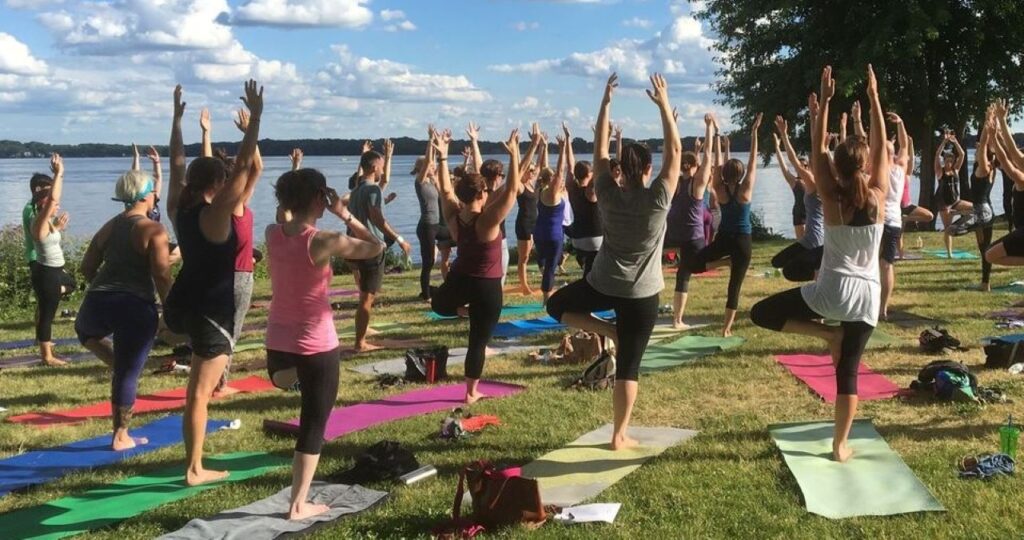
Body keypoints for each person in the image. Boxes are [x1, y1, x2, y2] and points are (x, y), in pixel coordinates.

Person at [751, 65, 889, 463]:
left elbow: (816, 151)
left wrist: (824, 104)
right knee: (848, 373)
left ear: (838, 169)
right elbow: (880, 148)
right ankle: (839, 445)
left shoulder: (831, 197)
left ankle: (826, 336)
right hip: (867, 298)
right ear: (863, 167)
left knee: (762, 313)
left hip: (829, 293)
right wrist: (875, 98)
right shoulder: (878, 196)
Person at [547, 73, 681, 450]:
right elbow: (675, 154)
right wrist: (664, 108)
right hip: (642, 293)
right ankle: (619, 435)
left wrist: (605, 103)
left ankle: (607, 333)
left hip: (603, 284)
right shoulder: (657, 200)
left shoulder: (605, 191)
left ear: (621, 170)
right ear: (648, 170)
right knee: (629, 367)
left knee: (556, 305)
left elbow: (600, 153)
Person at [265, 168, 384, 520]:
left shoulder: (273, 234)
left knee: (301, 391)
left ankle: (304, 384)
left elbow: (285, 216)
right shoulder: (324, 239)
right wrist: (344, 214)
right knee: (314, 423)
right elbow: (375, 248)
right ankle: (298, 505)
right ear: (319, 197)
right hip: (315, 345)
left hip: (277, 350)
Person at [164, 80, 263, 486]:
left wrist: (176, 120)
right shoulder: (216, 215)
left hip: (184, 304)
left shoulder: (178, 209)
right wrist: (255, 119)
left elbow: (175, 163)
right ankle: (194, 469)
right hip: (212, 311)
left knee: (197, 392)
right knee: (199, 394)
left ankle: (194, 464)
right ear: (217, 186)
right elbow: (243, 168)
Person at [75, 170, 172, 450]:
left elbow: (86, 267)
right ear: (147, 195)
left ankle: (120, 366)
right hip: (134, 305)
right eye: (155, 191)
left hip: (98, 300)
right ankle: (120, 436)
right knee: (127, 373)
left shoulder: (109, 226)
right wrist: (171, 312)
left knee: (85, 331)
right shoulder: (153, 229)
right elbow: (162, 275)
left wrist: (108, 283)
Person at [430, 125, 527, 404]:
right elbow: (511, 191)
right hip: (486, 286)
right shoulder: (488, 221)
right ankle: (471, 393)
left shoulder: (453, 215)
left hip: (461, 278)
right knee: (477, 342)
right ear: (482, 193)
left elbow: (444, 189)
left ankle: (461, 309)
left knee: (438, 304)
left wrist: (443, 156)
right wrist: (515, 155)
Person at [199, 107, 265, 393]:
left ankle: (216, 380)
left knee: (221, 330)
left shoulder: (220, 207)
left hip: (227, 275)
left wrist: (207, 134)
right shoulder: (232, 205)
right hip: (238, 275)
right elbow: (251, 168)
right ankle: (220, 384)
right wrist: (249, 132)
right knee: (231, 331)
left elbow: (255, 168)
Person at [687, 114, 763, 336]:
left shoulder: (719, 189)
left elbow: (717, 166)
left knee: (693, 264)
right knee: (734, 287)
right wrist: (754, 133)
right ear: (740, 175)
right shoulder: (746, 189)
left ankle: (723, 262)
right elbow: (752, 161)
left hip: (725, 239)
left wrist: (717, 133)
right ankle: (726, 329)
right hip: (742, 241)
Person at [346, 141, 411, 352]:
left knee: (364, 295)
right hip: (369, 249)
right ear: (375, 167)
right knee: (367, 297)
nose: (382, 169)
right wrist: (399, 239)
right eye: (381, 165)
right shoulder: (373, 189)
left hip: (353, 246)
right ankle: (360, 343)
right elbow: (377, 217)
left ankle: (361, 336)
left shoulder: (355, 191)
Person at [665, 113, 714, 329]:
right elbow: (709, 159)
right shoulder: (697, 185)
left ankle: (677, 320)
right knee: (689, 271)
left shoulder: (675, 181)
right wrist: (710, 128)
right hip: (693, 237)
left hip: (672, 234)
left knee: (684, 272)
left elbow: (671, 154)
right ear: (695, 165)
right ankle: (677, 320)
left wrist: (673, 124)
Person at [29, 154, 75, 366]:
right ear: (43, 203)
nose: (57, 206)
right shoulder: (38, 221)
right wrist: (59, 174)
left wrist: (58, 227)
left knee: (72, 284)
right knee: (47, 314)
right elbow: (54, 199)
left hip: (55, 273)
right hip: (46, 272)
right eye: (52, 204)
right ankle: (47, 357)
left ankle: (52, 292)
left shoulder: (46, 223)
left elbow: (49, 237)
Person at [769, 116, 824, 282]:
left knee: (786, 267)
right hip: (816, 236)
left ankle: (820, 277)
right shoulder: (826, 182)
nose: (805, 167)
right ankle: (819, 274)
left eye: (808, 164)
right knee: (780, 262)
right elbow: (791, 166)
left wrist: (784, 135)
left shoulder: (813, 183)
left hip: (813, 238)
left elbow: (793, 161)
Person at [984, 99, 1024, 268]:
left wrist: (1001, 120)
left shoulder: (1021, 179)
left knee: (990, 255)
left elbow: (1011, 155)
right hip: (1020, 230)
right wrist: (994, 135)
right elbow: (1007, 156)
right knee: (990, 255)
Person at [878, 113, 910, 319]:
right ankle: (883, 308)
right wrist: (900, 123)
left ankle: (877, 307)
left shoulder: (879, 170)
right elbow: (905, 146)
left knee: (876, 265)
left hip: (879, 221)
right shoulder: (900, 169)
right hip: (894, 222)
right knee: (887, 265)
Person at [564, 122, 603, 278]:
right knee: (596, 276)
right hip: (594, 239)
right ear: (590, 174)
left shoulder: (571, 188)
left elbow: (569, 164)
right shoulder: (590, 192)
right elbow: (599, 161)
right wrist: (599, 138)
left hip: (577, 239)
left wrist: (568, 140)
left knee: (589, 272)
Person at [534, 134, 568, 303]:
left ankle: (547, 290)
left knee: (545, 264)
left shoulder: (540, 190)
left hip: (539, 232)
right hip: (553, 234)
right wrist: (562, 148)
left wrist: (545, 147)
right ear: (552, 179)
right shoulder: (553, 193)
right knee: (550, 267)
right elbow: (560, 171)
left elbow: (544, 169)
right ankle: (547, 297)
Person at [414, 126, 444, 301]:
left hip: (436, 226)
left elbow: (433, 161)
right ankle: (425, 295)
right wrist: (430, 141)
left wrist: (438, 145)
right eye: (430, 166)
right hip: (426, 226)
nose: (433, 167)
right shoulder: (420, 183)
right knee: (428, 262)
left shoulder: (433, 182)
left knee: (457, 237)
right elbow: (427, 163)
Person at [934, 130, 973, 258]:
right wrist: (944, 142)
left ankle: (957, 217)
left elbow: (962, 154)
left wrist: (955, 141)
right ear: (944, 161)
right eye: (947, 160)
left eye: (951, 160)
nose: (949, 163)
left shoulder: (956, 170)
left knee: (974, 208)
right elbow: (937, 155)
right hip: (944, 204)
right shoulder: (940, 172)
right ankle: (950, 253)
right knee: (947, 228)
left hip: (956, 201)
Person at [514, 143, 542, 296]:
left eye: (532, 171)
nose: (532, 172)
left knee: (529, 254)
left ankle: (525, 283)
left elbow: (539, 165)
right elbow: (518, 169)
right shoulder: (520, 186)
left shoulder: (531, 185)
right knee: (523, 257)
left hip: (534, 223)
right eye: (529, 170)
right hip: (524, 223)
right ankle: (524, 286)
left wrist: (542, 146)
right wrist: (516, 148)